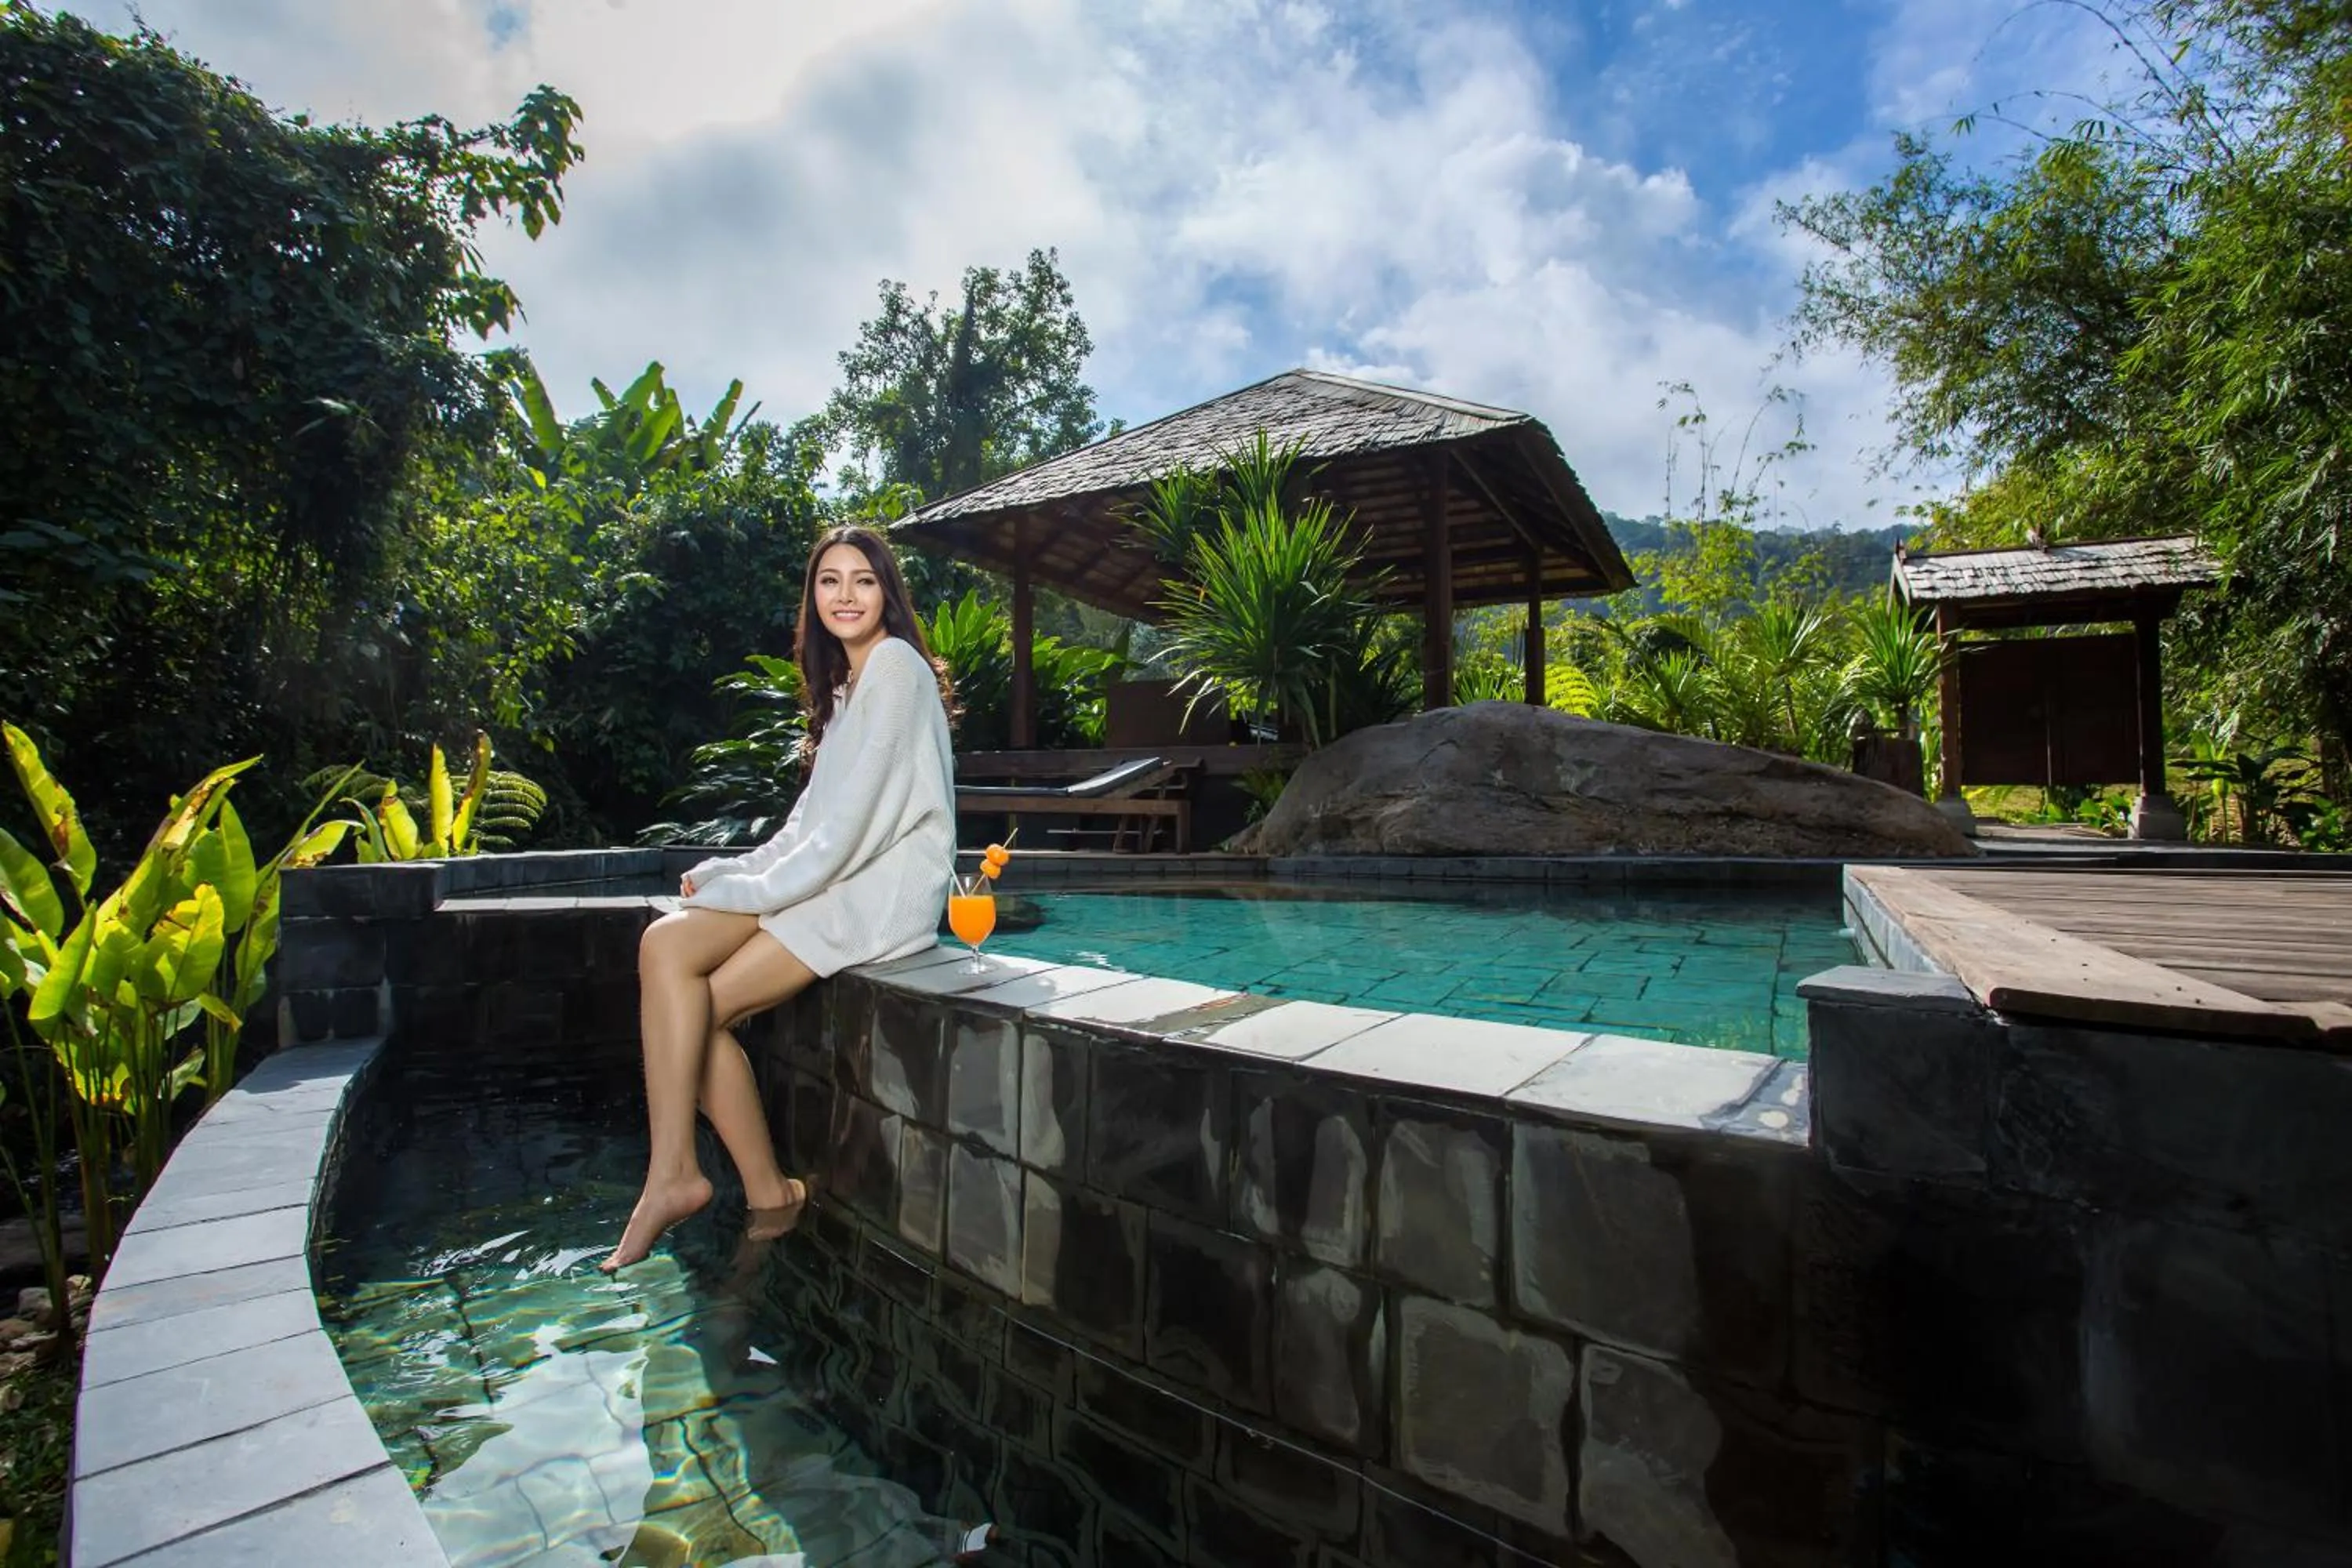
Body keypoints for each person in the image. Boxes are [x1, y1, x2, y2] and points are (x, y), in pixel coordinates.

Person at [601, 524, 956, 1272]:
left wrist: (755, 892)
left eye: (864, 579)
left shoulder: (895, 667)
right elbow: (810, 823)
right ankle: (709, 1181)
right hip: (837, 874)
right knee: (664, 947)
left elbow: (852, 831)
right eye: (830, 581)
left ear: (888, 591)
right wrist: (736, 871)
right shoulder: (846, 689)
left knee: (699, 1007)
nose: (847, 596)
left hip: (881, 885)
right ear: (814, 597)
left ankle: (706, 1182)